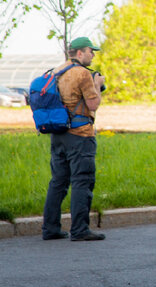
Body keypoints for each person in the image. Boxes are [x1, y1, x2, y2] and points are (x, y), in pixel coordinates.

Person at [42, 36, 107, 241]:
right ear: (79, 53)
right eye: (90, 51)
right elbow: (93, 104)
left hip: (58, 134)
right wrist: (97, 84)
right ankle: (80, 230)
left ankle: (50, 229)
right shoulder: (82, 74)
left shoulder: (56, 71)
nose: (93, 55)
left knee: (58, 181)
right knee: (82, 180)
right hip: (80, 135)